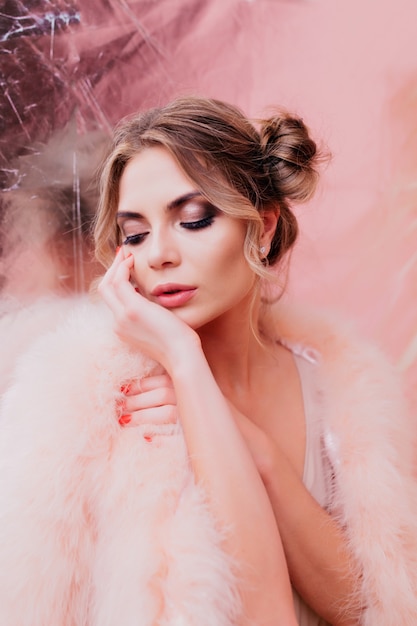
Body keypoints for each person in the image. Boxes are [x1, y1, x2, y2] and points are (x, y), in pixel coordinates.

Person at [0, 96, 416, 626]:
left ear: (262, 229)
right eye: (135, 234)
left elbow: (368, 610)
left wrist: (246, 437)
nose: (158, 255)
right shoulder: (92, 401)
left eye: (193, 219)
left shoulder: (339, 389)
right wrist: (181, 359)